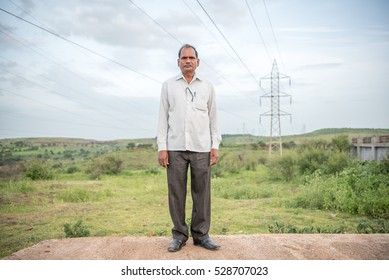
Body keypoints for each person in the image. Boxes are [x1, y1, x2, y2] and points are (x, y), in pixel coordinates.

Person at [157, 44, 222, 252]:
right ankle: (179, 235)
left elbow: (214, 118)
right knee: (176, 193)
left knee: (202, 193)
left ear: (197, 62)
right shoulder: (168, 86)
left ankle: (201, 235)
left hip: (202, 147)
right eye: (183, 58)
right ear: (178, 62)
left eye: (191, 58)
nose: (187, 61)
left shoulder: (207, 86)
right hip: (175, 147)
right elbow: (162, 118)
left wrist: (215, 145)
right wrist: (162, 147)